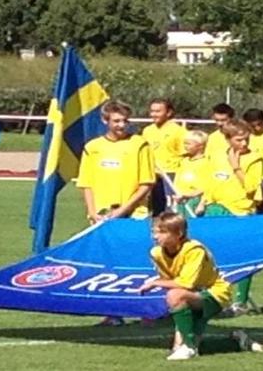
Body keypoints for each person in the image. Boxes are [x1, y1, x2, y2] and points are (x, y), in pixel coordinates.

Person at [138, 213, 263, 360]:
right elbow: (171, 280)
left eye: (162, 232)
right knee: (177, 348)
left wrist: (154, 283)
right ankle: (237, 341)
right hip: (190, 295)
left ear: (179, 233)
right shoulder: (156, 253)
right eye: (153, 232)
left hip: (213, 293)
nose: (155, 236)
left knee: (174, 295)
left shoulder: (194, 250)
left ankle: (189, 346)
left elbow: (186, 283)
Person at [77, 100, 156, 327]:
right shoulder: (93, 147)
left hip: (134, 213)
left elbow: (146, 183)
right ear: (105, 121)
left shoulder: (139, 144)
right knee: (109, 265)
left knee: (141, 261)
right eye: (116, 121)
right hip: (103, 216)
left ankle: (148, 310)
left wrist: (123, 210)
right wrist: (92, 211)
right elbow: (86, 183)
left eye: (124, 121)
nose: (122, 125)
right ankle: (113, 312)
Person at [196, 120, 263, 314]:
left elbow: (252, 187)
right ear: (227, 139)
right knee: (210, 257)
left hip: (240, 211)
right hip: (215, 210)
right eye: (239, 140)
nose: (244, 144)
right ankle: (215, 298)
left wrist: (236, 167)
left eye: (246, 139)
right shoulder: (216, 157)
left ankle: (241, 301)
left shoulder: (254, 159)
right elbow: (210, 182)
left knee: (242, 255)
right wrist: (204, 202)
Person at [142, 98, 188, 215]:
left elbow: (186, 155)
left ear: (168, 113)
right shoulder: (147, 130)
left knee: (170, 209)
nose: (154, 114)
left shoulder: (179, 131)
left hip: (171, 174)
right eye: (152, 111)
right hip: (152, 174)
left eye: (158, 111)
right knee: (155, 208)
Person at [172, 130, 211, 218]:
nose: (185, 146)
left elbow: (208, 186)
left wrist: (202, 203)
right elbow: (178, 179)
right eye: (185, 143)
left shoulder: (206, 162)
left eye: (189, 144)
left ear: (200, 146)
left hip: (194, 200)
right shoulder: (184, 161)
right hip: (180, 199)